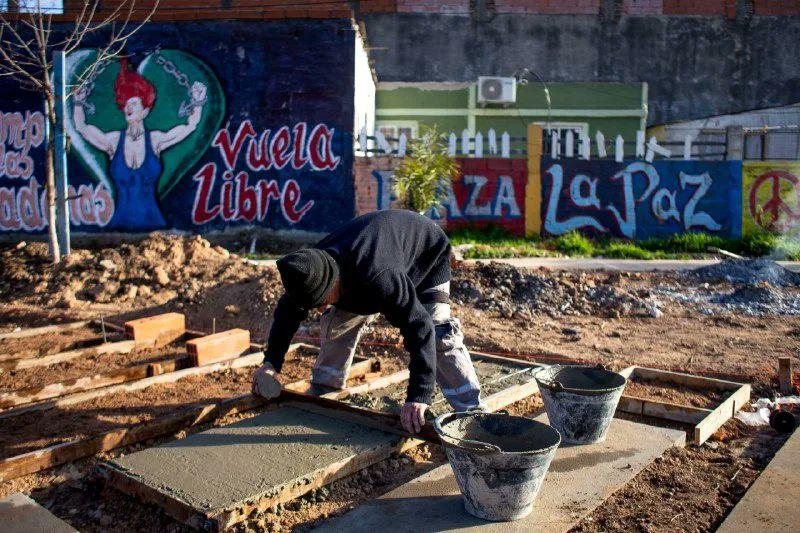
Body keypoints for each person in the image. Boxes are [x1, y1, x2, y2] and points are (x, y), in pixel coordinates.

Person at [252, 210, 485, 434]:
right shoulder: (308, 269)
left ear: (334, 284)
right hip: (376, 260)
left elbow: (419, 327)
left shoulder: (381, 276)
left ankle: (471, 412)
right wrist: (271, 363)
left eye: (322, 301)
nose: (320, 307)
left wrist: (419, 396)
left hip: (427, 254)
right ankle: (325, 388)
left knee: (437, 333)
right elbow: (286, 317)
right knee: (335, 320)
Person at [73, 58, 207, 230]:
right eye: (126, 104)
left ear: (145, 111)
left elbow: (189, 126)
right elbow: (82, 128)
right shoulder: (114, 142)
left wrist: (198, 102)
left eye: (133, 103)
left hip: (155, 224)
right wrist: (77, 102)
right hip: (119, 225)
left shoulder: (155, 140)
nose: (128, 108)